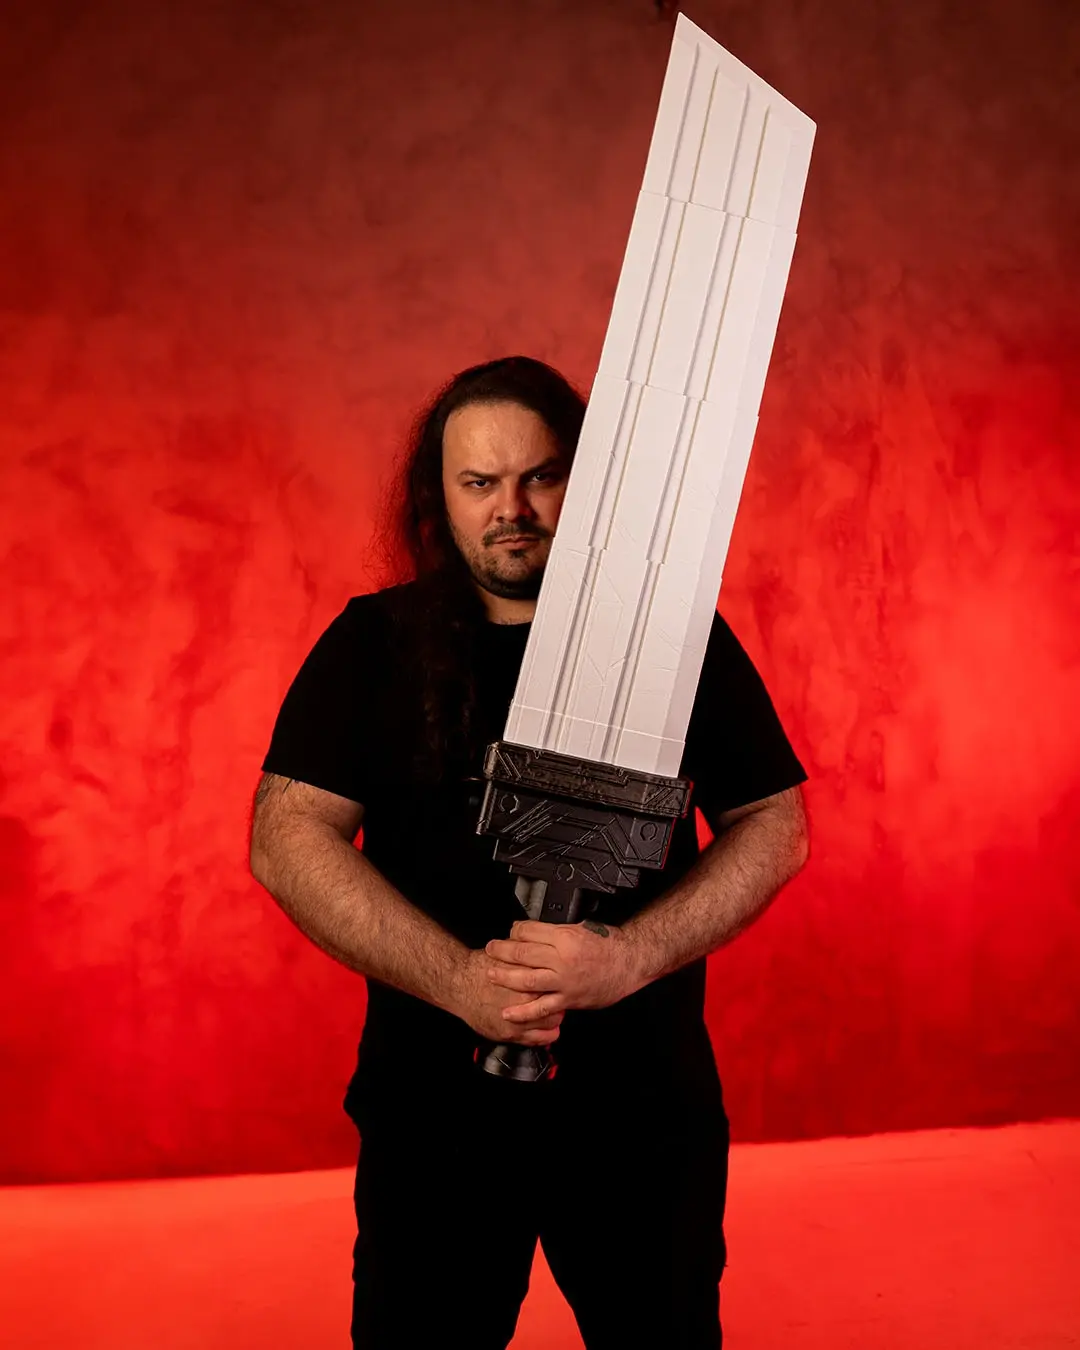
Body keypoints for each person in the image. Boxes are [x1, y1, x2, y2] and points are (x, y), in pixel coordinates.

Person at [250, 355, 809, 1350]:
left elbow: (776, 821)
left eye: (541, 476)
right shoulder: (374, 644)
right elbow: (286, 836)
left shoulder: (670, 640)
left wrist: (630, 957)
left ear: (583, 481)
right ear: (439, 498)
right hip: (435, 1116)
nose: (511, 509)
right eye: (480, 482)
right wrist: (459, 981)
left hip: (641, 1110)